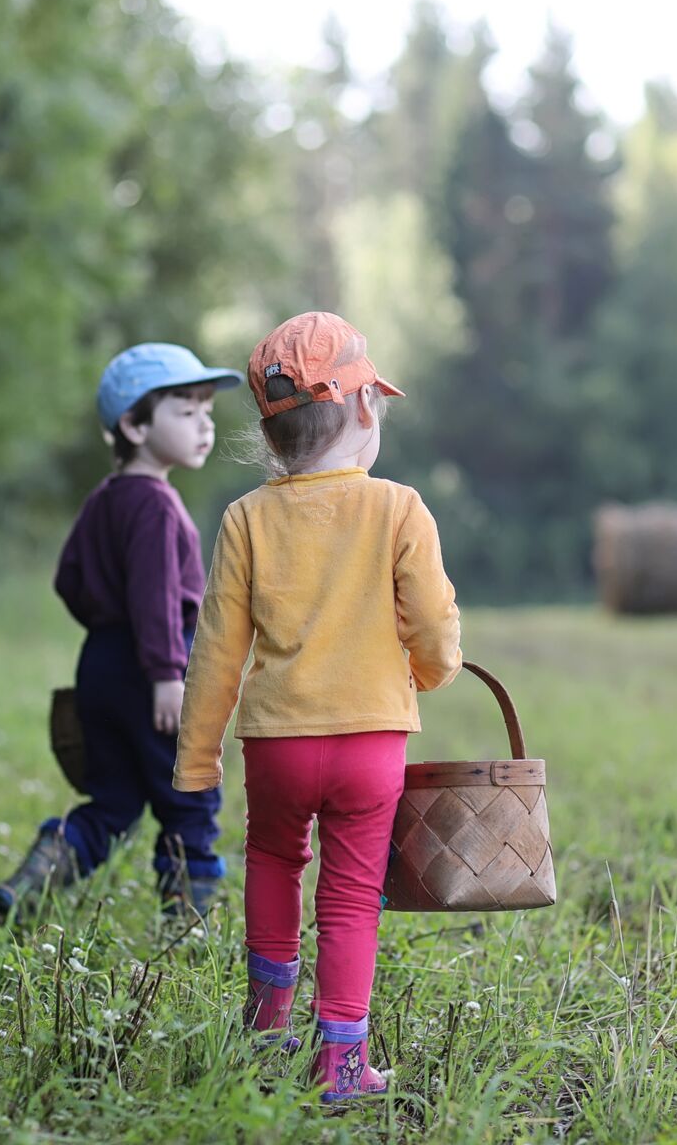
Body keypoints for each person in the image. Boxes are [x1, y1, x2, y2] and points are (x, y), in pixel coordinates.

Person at [174, 311, 462, 1102]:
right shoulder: (400, 510)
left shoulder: (244, 520)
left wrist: (197, 761)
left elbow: (216, 657)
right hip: (372, 745)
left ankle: (266, 1035)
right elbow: (433, 627)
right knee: (349, 893)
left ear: (270, 438)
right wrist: (433, 673)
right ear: (366, 409)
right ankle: (341, 1068)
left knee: (272, 860)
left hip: (276, 745)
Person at [0, 342, 243, 925]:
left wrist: (108, 630)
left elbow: (69, 580)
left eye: (207, 411)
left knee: (114, 802)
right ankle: (187, 925)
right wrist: (162, 674)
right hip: (156, 667)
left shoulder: (104, 501)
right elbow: (155, 596)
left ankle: (33, 881)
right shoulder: (156, 505)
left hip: (101, 663)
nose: (204, 424)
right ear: (133, 423)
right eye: (186, 412)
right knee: (190, 793)